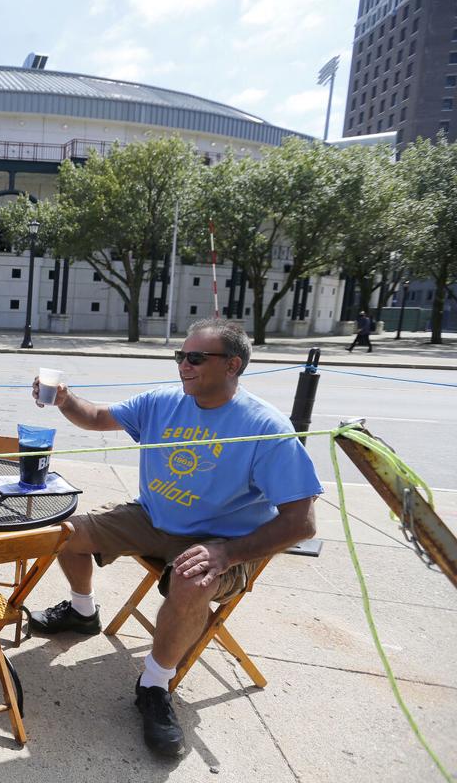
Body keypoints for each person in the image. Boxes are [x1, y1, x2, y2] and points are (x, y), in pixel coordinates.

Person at [26, 317, 321, 758]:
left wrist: (228, 553)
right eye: (181, 355)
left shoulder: (266, 428)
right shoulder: (163, 401)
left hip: (222, 539)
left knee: (192, 581)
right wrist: (65, 400)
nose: (184, 364)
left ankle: (155, 685)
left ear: (233, 365)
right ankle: (82, 611)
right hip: (153, 517)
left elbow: (302, 523)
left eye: (196, 357)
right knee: (64, 531)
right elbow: (97, 417)